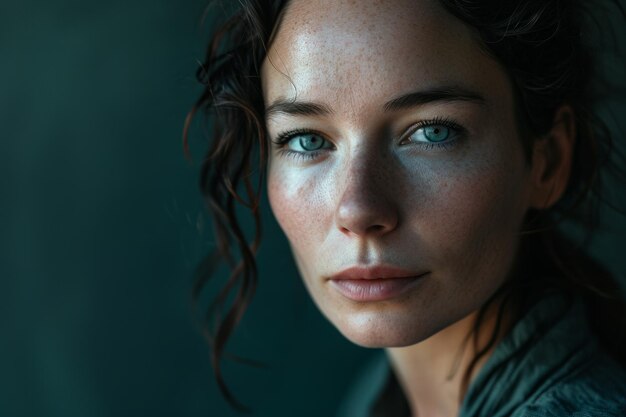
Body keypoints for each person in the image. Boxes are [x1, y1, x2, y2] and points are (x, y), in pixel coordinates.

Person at [184, 0, 626, 415]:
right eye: (307, 139)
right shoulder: (375, 398)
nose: (358, 210)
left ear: (547, 163)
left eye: (431, 132)